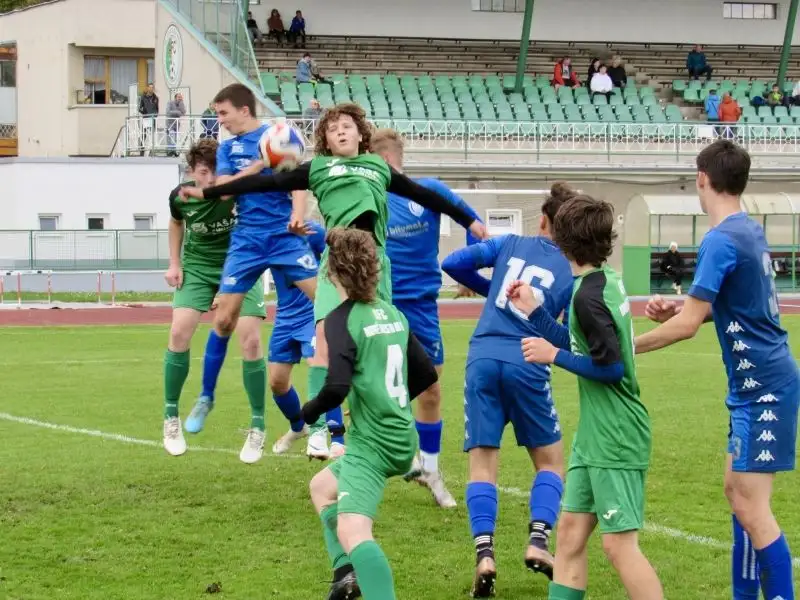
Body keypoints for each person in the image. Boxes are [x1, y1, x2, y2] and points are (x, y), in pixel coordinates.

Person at [179, 102, 487, 461]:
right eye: (332, 128)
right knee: (325, 340)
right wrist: (209, 191)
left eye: (347, 125)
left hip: (375, 267)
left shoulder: (377, 168)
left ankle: (375, 427)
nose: (340, 131)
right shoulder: (319, 168)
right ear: (324, 139)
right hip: (335, 265)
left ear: (360, 133)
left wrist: (470, 220)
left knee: (398, 363)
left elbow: (426, 195)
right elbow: (262, 183)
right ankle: (327, 432)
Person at [638, 140, 798, 600]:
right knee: (738, 496)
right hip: (757, 385)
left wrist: (626, 347)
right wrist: (681, 310)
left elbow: (688, 326)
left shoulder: (721, 238)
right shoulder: (747, 229)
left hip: (763, 388)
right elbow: (728, 308)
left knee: (754, 509)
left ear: (702, 179)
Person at [507, 194, 664, 600]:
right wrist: (535, 314)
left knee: (618, 546)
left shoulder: (587, 296)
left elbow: (610, 368)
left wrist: (552, 355)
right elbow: (584, 345)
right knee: (571, 535)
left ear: (562, 243)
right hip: (594, 437)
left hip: (616, 435)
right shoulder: (599, 282)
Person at [441, 182, 576, 596]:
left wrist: (495, 291)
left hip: (483, 357)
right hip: (528, 359)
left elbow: (454, 262)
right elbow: (566, 335)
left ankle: (484, 554)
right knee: (550, 463)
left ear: (542, 220)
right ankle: (537, 541)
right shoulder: (572, 270)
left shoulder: (511, 243)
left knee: (483, 466)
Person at [180, 83, 318, 464]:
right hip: (247, 240)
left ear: (244, 109)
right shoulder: (227, 149)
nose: (219, 121)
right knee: (223, 318)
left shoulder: (279, 135)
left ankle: (347, 382)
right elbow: (223, 191)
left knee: (324, 300)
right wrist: (258, 165)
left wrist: (297, 213)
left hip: (284, 236)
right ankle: (206, 396)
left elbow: (298, 180)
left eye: (223, 113)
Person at [304, 227, 439, 600]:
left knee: (353, 530)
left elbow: (336, 388)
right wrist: (386, 398)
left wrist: (309, 412)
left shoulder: (339, 320)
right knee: (321, 489)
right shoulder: (392, 313)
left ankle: (367, 581)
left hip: (373, 445)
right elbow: (426, 374)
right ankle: (345, 575)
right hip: (401, 437)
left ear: (332, 274)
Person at [372, 128, 481, 509]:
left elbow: (476, 224)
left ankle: (430, 470)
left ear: (384, 161)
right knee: (375, 388)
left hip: (421, 305)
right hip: (380, 303)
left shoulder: (430, 191)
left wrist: (471, 270)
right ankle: (359, 462)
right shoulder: (371, 197)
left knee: (431, 387)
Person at [161, 139, 267, 460]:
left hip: (240, 264)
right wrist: (174, 263)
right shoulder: (180, 198)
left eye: (215, 172)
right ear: (192, 172)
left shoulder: (236, 191)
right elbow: (176, 222)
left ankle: (258, 425)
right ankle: (170, 417)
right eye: (204, 173)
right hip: (198, 267)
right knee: (179, 332)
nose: (210, 180)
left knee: (249, 340)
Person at [269, 220, 347, 460]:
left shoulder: (312, 232)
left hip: (312, 314)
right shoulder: (265, 234)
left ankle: (334, 438)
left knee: (321, 367)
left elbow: (338, 261)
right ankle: (298, 427)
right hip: (284, 318)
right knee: (277, 383)